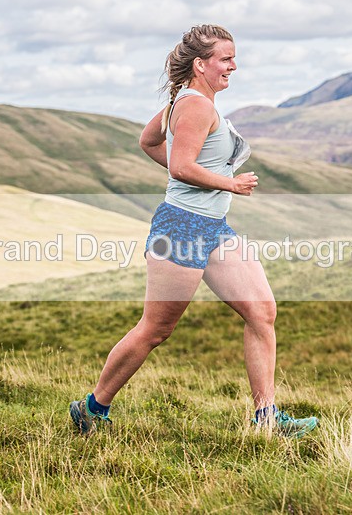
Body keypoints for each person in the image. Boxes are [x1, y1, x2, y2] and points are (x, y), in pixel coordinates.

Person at [70, 24, 318, 438]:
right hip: (182, 227)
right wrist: (229, 183)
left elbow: (150, 142)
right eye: (225, 58)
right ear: (201, 64)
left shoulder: (184, 102)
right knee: (155, 330)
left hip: (214, 228)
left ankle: (266, 419)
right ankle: (93, 409)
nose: (233, 66)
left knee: (262, 311)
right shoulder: (196, 106)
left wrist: (199, 175)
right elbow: (182, 165)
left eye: (233, 58)